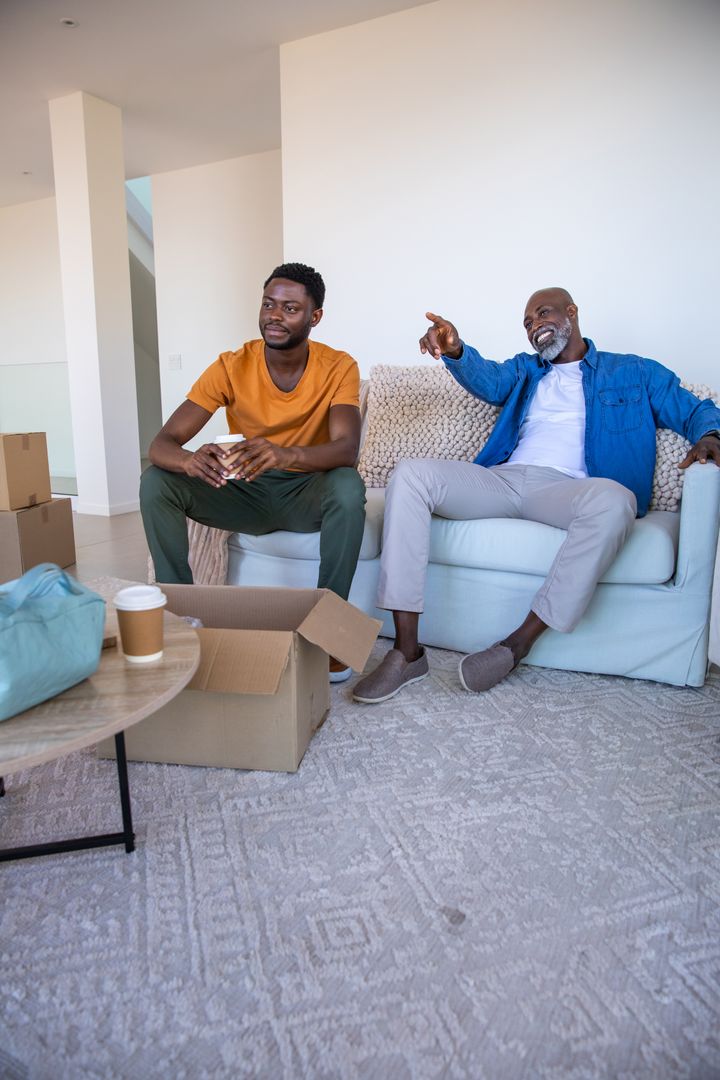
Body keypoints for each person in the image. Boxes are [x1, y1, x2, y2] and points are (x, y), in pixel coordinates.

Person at [353, 287, 720, 703]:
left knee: (618, 501)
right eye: (527, 323)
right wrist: (456, 350)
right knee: (412, 476)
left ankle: (517, 644)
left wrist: (709, 434)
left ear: (572, 312)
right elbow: (489, 380)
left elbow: (693, 408)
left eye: (543, 314)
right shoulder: (526, 370)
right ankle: (406, 652)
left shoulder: (633, 371)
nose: (534, 326)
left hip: (569, 488)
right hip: (503, 480)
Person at [140, 262, 366, 682]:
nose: (274, 315)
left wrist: (284, 455)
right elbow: (160, 444)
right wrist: (190, 461)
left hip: (304, 494)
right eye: (268, 304)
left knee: (348, 486)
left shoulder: (338, 367)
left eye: (290, 308)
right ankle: (182, 616)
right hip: (243, 495)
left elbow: (346, 450)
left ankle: (330, 633)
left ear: (314, 317)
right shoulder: (231, 365)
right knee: (156, 481)